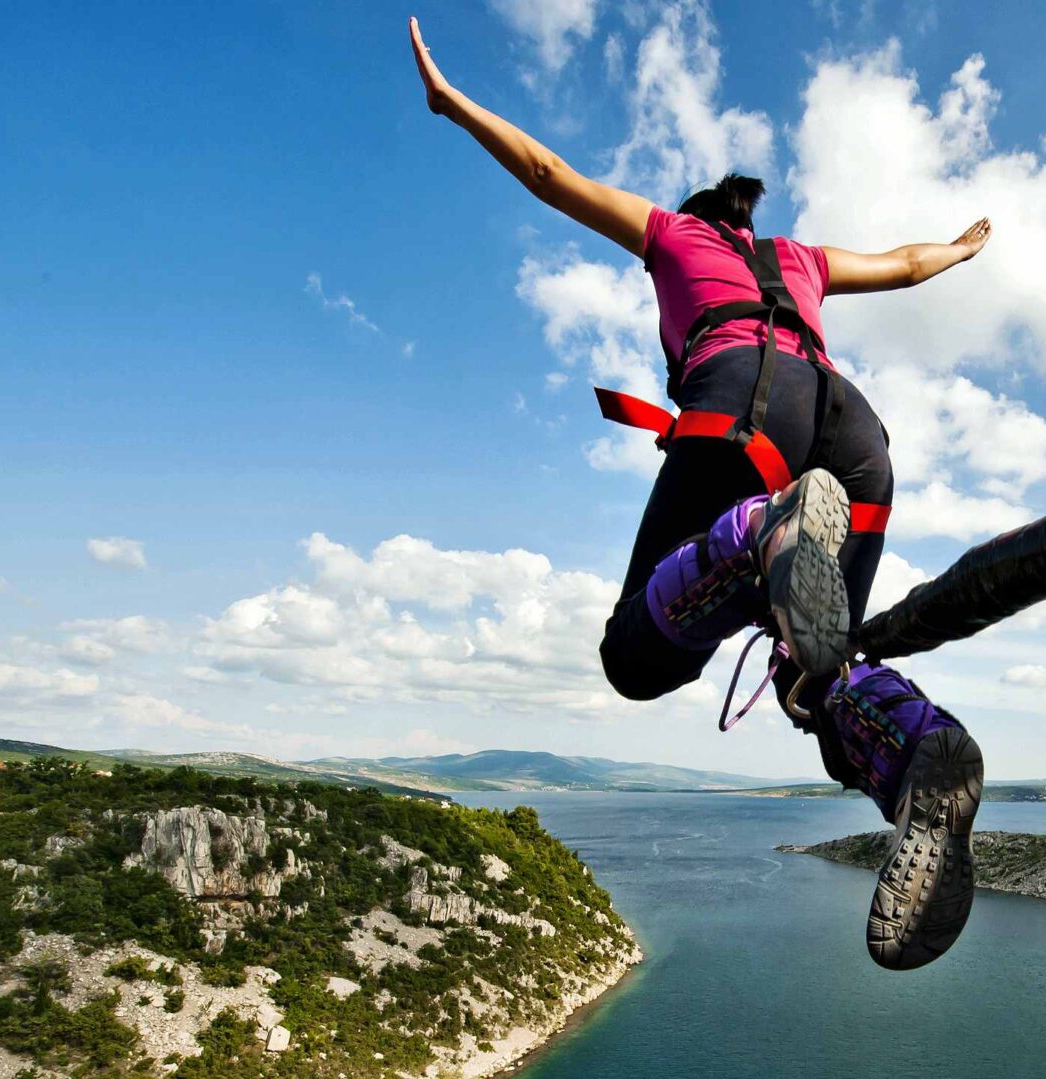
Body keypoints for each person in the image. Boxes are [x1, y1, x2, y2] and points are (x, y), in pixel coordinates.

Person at [411, 17, 989, 970]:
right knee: (819, 660)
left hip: (742, 415)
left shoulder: (672, 233)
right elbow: (907, 263)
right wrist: (962, 249)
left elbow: (552, 176)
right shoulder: (799, 259)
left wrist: (454, 103)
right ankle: (916, 752)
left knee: (634, 655)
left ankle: (754, 536)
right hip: (856, 438)